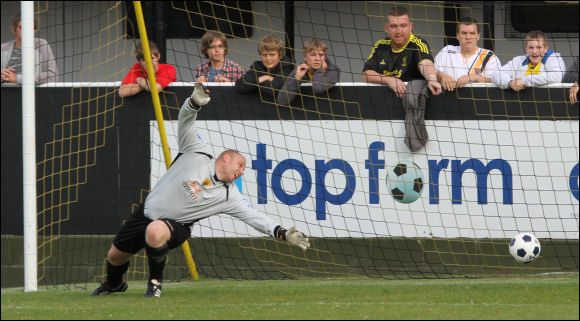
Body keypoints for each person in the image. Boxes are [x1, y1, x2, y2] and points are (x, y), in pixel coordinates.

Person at [92, 83, 310, 298]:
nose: (241, 172)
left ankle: (155, 284)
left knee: (156, 231)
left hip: (176, 226)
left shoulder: (229, 195)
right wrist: (194, 103)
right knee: (115, 256)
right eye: (240, 166)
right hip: (145, 213)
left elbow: (253, 217)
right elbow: (185, 122)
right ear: (225, 158)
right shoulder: (198, 151)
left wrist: (281, 232)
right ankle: (114, 285)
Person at [361, 6, 442, 152]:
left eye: (403, 26)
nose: (399, 31)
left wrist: (431, 77)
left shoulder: (417, 43)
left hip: (411, 114)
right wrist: (389, 80)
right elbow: (366, 74)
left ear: (410, 27)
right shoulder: (381, 46)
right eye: (394, 26)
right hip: (382, 117)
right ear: (387, 28)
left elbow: (426, 63)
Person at [435, 17, 501, 91]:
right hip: (448, 98)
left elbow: (497, 80)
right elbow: (430, 71)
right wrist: (441, 75)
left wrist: (475, 77)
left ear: (478, 36)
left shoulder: (489, 56)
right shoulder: (447, 51)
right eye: (464, 33)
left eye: (472, 33)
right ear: (457, 35)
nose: (468, 37)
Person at [492, 30, 566, 92]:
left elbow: (557, 76)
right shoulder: (518, 60)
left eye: (538, 47)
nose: (534, 51)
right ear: (526, 48)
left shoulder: (554, 58)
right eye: (531, 47)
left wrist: (524, 80)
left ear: (545, 48)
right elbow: (496, 74)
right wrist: (511, 83)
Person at [276, 38, 341, 105]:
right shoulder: (299, 70)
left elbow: (318, 88)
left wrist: (321, 69)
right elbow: (281, 101)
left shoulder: (333, 71)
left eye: (321, 55)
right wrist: (297, 79)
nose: (317, 59)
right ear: (305, 56)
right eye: (313, 55)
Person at [1, 12, 58, 85]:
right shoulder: (3, 48)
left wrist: (17, 78)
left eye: (31, 28)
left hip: (35, 95)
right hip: (6, 94)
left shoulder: (41, 45)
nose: (27, 31)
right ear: (13, 29)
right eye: (23, 27)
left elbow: (52, 76)